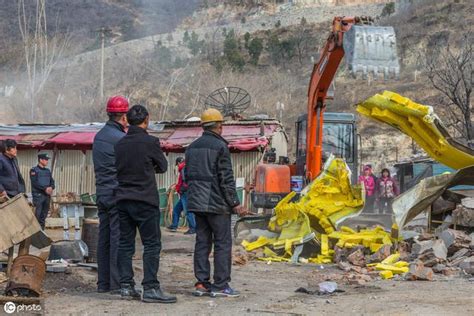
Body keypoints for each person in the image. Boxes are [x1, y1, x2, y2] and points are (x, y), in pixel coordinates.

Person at [115, 104, 176, 304]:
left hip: (123, 199)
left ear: (127, 120)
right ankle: (150, 287)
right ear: (147, 119)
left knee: (125, 244)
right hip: (145, 200)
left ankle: (126, 286)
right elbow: (163, 166)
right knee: (151, 244)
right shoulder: (151, 142)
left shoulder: (120, 144)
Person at [185, 108, 248, 298]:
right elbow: (226, 179)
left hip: (196, 204)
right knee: (222, 243)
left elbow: (188, 176)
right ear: (220, 126)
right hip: (217, 205)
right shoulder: (221, 147)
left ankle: (202, 284)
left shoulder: (191, 147)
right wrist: (235, 202)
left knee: (202, 243)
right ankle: (221, 285)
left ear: (203, 125)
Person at [92, 95, 129, 294]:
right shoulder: (121, 139)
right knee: (118, 239)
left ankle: (103, 283)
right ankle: (117, 284)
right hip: (117, 194)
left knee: (103, 239)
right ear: (123, 117)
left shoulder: (98, 136)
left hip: (102, 193)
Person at [167, 157, 196, 235]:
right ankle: (174, 225)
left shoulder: (183, 168)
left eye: (177, 164)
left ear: (179, 163)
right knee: (176, 210)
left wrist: (181, 189)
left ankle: (193, 228)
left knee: (188, 210)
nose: (177, 166)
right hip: (184, 193)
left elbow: (184, 182)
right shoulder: (186, 168)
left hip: (185, 193)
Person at [30, 153, 55, 230]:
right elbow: (35, 183)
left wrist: (51, 187)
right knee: (37, 215)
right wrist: (45, 189)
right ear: (40, 160)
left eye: (47, 160)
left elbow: (52, 181)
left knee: (43, 216)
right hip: (38, 196)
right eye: (45, 159)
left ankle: (42, 232)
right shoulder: (34, 170)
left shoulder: (47, 171)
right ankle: (35, 232)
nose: (47, 161)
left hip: (46, 196)